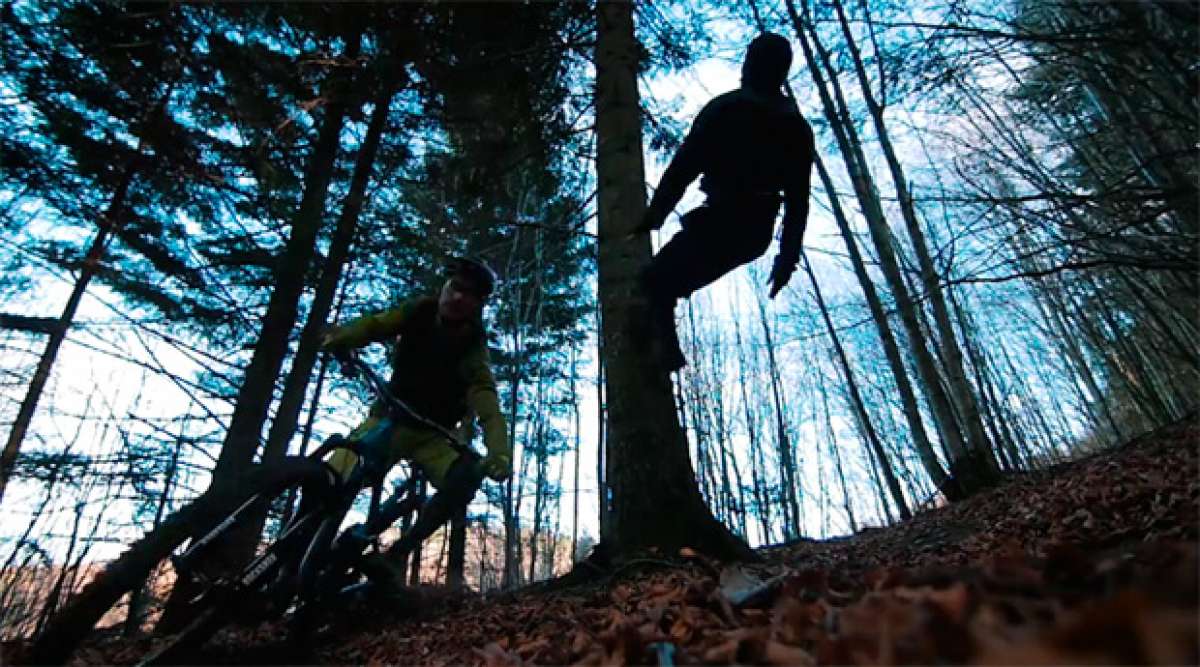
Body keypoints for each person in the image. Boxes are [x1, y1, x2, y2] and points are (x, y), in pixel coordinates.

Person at [319, 256, 511, 583]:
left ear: (479, 305)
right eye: (454, 287)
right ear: (444, 286)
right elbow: (378, 324)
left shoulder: (473, 348)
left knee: (464, 478)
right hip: (390, 419)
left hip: (433, 437)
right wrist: (346, 337)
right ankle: (302, 551)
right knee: (334, 479)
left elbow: (487, 403)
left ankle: (397, 555)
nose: (457, 297)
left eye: (469, 294)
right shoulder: (418, 311)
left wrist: (499, 452)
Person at [630, 32, 815, 371]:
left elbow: (684, 167)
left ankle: (659, 357)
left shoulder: (728, 110)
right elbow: (798, 203)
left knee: (652, 283)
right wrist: (786, 257)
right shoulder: (796, 127)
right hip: (753, 234)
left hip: (724, 222)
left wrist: (655, 215)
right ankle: (663, 352)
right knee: (664, 283)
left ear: (750, 64)